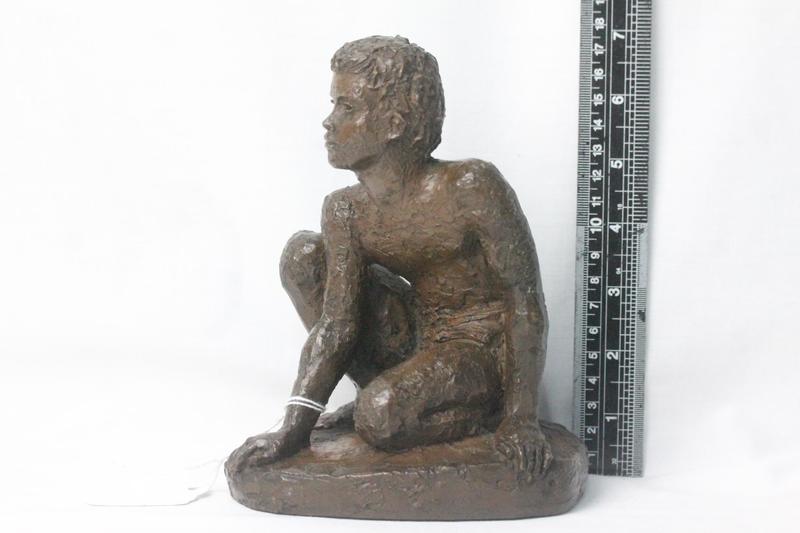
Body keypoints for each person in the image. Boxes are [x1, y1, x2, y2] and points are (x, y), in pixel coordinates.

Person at [228, 35, 552, 482]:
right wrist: (293, 427)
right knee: (303, 257)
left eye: (346, 108)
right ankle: (381, 402)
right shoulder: (345, 209)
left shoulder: (471, 187)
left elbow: (524, 300)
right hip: (416, 336)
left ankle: (451, 413)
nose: (328, 122)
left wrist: (521, 417)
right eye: (334, 105)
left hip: (478, 351)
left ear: (394, 123)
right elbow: (337, 325)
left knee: (379, 415)